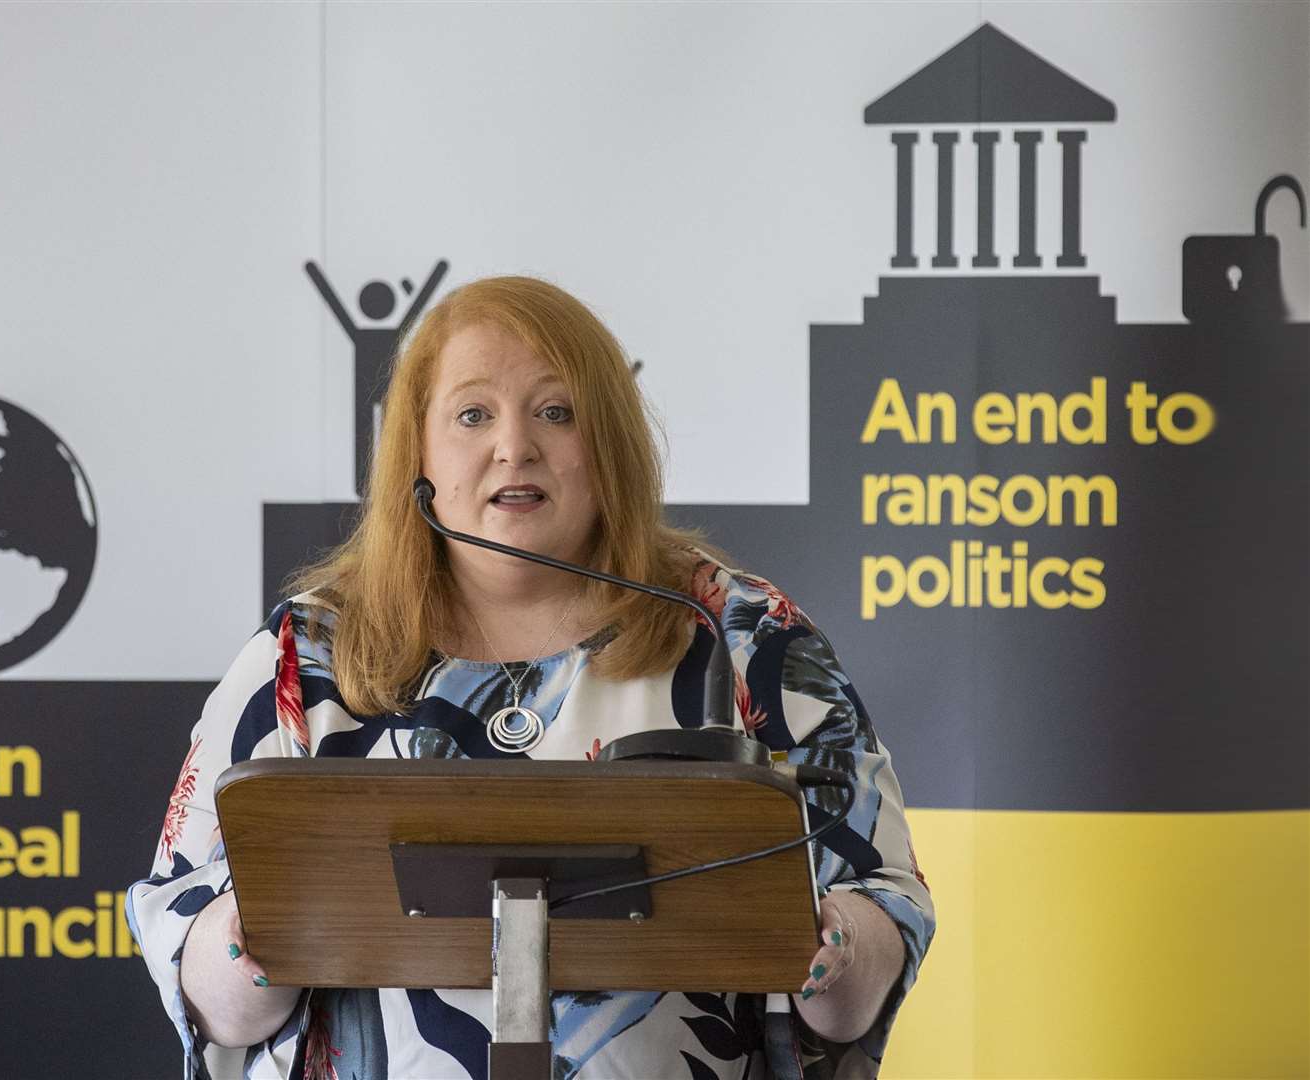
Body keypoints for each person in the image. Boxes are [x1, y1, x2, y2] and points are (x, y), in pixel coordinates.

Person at [129, 276, 934, 1080]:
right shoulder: (305, 656)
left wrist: (835, 950)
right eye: (473, 415)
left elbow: (878, 917)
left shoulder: (745, 636)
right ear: (419, 452)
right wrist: (248, 946)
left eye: (556, 411)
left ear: (610, 443)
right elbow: (202, 970)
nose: (514, 447)